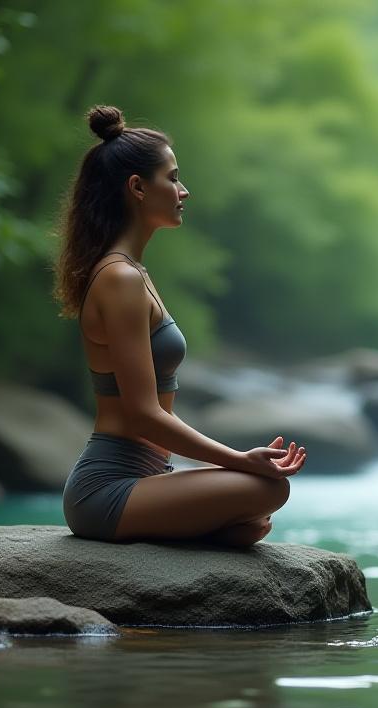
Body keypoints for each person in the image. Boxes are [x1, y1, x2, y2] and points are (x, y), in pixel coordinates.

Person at [53, 105, 305, 546]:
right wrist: (240, 461)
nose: (183, 190)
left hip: (148, 477)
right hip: (107, 490)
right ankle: (206, 525)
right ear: (136, 187)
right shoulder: (119, 279)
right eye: (171, 177)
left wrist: (229, 471)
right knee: (268, 488)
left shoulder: (133, 273)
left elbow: (158, 412)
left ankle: (207, 525)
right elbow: (143, 415)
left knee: (258, 506)